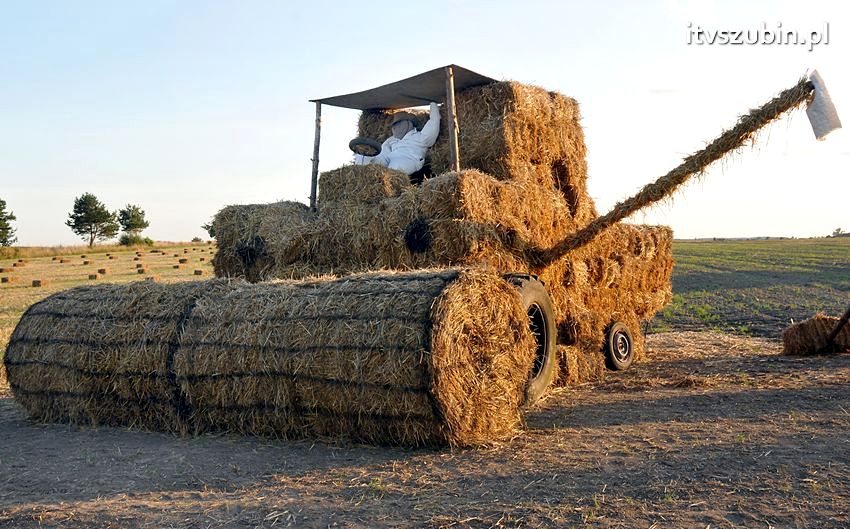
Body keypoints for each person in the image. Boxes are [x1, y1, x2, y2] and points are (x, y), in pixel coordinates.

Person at [355, 102, 441, 175]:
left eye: (398, 124)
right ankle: (362, 177)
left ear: (408, 124)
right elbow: (384, 155)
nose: (395, 128)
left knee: (394, 169)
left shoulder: (419, 136)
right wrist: (368, 156)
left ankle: (387, 185)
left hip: (409, 159)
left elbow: (434, 122)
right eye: (394, 125)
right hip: (390, 159)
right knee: (362, 158)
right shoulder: (391, 140)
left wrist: (433, 104)